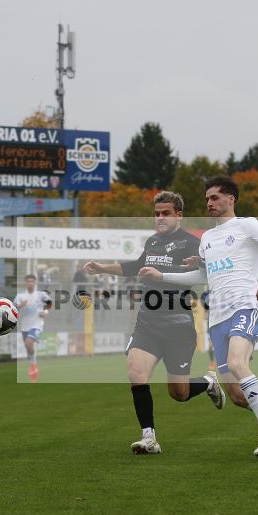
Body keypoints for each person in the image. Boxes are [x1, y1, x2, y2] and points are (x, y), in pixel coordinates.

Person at [140, 175, 258, 458]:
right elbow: (203, 276)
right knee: (238, 395)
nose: (209, 203)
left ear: (231, 199)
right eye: (206, 199)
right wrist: (162, 275)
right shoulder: (208, 239)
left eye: (214, 198)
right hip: (217, 318)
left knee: (239, 363)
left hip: (244, 306)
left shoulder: (247, 225)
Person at [82, 191, 225, 455]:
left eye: (166, 213)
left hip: (179, 326)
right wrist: (101, 267)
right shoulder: (152, 242)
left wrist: (163, 276)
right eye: (157, 213)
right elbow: (135, 266)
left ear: (179, 215)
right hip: (148, 323)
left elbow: (207, 274)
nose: (160, 218)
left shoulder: (192, 243)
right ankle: (149, 437)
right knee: (136, 374)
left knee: (179, 393)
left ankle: (207, 382)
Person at [13, 274, 53, 382]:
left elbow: (49, 303)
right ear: (25, 283)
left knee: (29, 343)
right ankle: (33, 366)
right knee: (28, 348)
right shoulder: (20, 296)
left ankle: (33, 366)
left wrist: (45, 311)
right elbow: (12, 309)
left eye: (32, 281)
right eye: (28, 281)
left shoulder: (41, 294)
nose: (30, 283)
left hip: (37, 324)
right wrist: (21, 305)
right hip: (25, 325)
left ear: (35, 283)